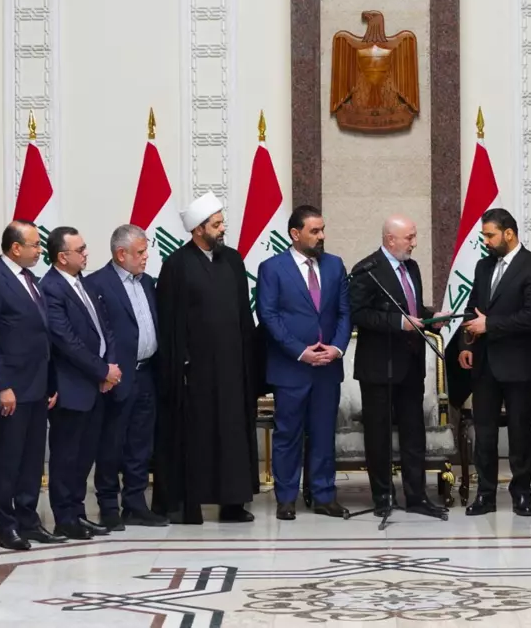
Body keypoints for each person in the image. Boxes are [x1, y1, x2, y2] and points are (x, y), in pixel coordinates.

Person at [154, 193, 262, 524]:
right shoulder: (177, 265)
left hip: (233, 370)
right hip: (196, 373)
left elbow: (244, 315)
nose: (222, 228)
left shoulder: (233, 260)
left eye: (221, 222)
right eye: (216, 224)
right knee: (197, 438)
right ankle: (190, 504)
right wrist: (183, 363)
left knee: (233, 435)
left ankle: (233, 503)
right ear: (198, 229)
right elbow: (169, 323)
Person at [349, 215, 451, 519]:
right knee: (378, 435)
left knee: (413, 433)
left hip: (411, 365)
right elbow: (358, 313)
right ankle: (383, 497)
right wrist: (397, 323)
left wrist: (431, 317)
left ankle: (417, 496)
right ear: (390, 239)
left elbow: (412, 310)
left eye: (415, 236)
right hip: (378, 367)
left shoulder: (412, 267)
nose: (414, 243)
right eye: (410, 237)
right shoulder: (367, 270)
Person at [256, 205, 352, 521]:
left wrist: (337, 348)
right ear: (295, 234)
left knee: (324, 435)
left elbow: (344, 312)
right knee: (288, 436)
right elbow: (268, 315)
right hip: (291, 368)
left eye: (323, 229)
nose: (321, 236)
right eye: (314, 231)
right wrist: (300, 351)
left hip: (327, 367)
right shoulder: (272, 268)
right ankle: (286, 499)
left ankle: (324, 496)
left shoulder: (335, 265)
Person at [0, 220, 63, 550]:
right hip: (13, 387)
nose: (40, 250)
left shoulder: (30, 279)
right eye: (34, 244)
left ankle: (29, 519)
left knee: (32, 458)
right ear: (15, 248)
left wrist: (50, 381)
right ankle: (6, 525)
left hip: (37, 384)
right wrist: (3, 385)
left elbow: (41, 333)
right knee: (9, 458)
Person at [458, 209, 531, 518]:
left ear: (508, 233)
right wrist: (466, 342)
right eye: (484, 235)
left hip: (519, 363)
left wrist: (490, 325)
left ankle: (522, 493)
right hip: (484, 363)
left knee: (520, 431)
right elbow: (472, 308)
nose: (485, 241)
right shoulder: (483, 266)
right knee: (484, 433)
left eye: (490, 235)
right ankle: (485, 494)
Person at [84, 224, 169, 528]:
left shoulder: (147, 282)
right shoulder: (96, 283)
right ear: (121, 254)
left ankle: (135, 503)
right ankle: (108, 505)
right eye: (140, 252)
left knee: (140, 443)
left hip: (147, 373)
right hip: (117, 377)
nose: (146, 257)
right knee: (111, 443)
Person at [41, 226, 119, 540]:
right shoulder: (51, 288)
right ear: (62, 257)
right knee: (66, 457)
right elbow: (66, 341)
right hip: (71, 386)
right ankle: (65, 517)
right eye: (81, 249)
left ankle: (78, 512)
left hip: (96, 385)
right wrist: (102, 371)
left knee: (85, 455)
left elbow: (105, 328)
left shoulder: (83, 282)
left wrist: (110, 367)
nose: (86, 253)